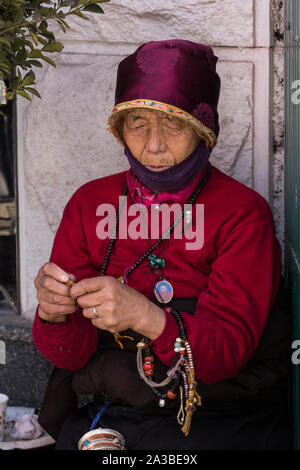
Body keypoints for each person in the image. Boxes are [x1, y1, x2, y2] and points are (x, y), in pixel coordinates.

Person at [32, 40, 292, 450]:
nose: (152, 146)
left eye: (173, 124)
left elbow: (225, 351)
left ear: (203, 129)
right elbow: (70, 356)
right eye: (136, 123)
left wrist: (144, 315)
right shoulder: (90, 204)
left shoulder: (241, 213)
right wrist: (53, 315)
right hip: (115, 412)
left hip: (219, 417)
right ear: (119, 128)